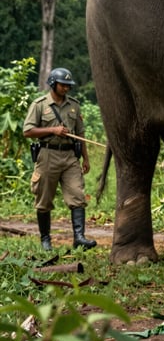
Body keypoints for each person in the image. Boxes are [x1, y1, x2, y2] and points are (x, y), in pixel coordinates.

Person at [23, 67, 96, 251]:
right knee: (44, 199)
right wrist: (52, 130)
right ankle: (45, 239)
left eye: (68, 86)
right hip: (48, 154)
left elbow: (80, 133)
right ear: (53, 84)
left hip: (70, 156)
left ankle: (79, 238)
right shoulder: (40, 105)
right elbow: (28, 131)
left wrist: (85, 159)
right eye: (63, 85)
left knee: (77, 195)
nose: (66, 89)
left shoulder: (74, 105)